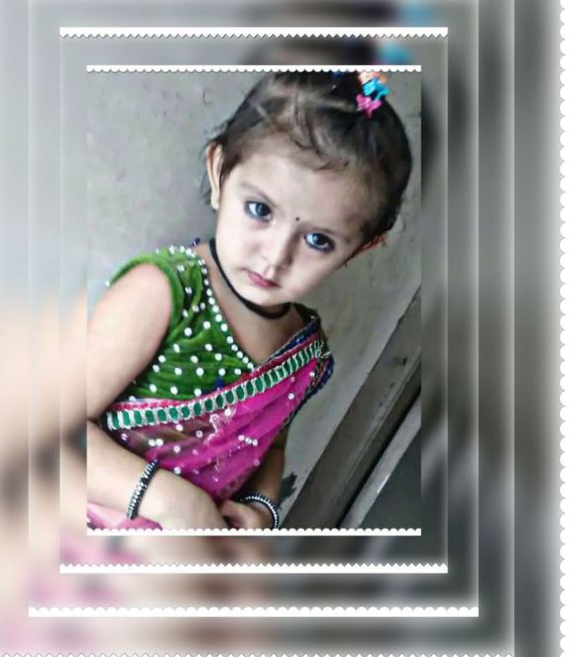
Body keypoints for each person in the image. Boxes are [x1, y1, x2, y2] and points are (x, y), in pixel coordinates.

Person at [86, 70, 413, 531]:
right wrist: (169, 501)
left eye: (318, 240)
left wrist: (261, 507)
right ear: (219, 171)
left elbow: (270, 445)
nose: (275, 257)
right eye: (260, 210)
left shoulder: (302, 351)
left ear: (359, 250)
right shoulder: (164, 294)